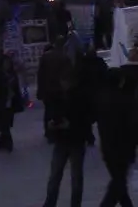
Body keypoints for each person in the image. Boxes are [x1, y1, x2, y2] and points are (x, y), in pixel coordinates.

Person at [42, 65, 95, 207]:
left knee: (64, 175)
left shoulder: (78, 97)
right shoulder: (62, 96)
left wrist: (65, 125)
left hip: (71, 140)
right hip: (67, 139)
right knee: (67, 175)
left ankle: (55, 203)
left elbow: (87, 118)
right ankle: (57, 203)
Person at [96, 68, 138, 207]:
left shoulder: (101, 99)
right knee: (119, 182)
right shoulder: (125, 100)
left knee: (118, 180)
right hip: (124, 147)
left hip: (107, 146)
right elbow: (133, 124)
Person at [0, 54, 24, 152]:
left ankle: (3, 144)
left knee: (6, 124)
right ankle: (7, 144)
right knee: (4, 124)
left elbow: (17, 90)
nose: (7, 65)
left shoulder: (12, 75)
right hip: (1, 103)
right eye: (5, 63)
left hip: (10, 103)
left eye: (8, 63)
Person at [38, 38, 72, 138]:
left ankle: (49, 132)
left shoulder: (44, 58)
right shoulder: (64, 57)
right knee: (61, 110)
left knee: (49, 111)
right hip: (61, 89)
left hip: (48, 90)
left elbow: (41, 76)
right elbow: (69, 73)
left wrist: (40, 92)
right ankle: (61, 130)